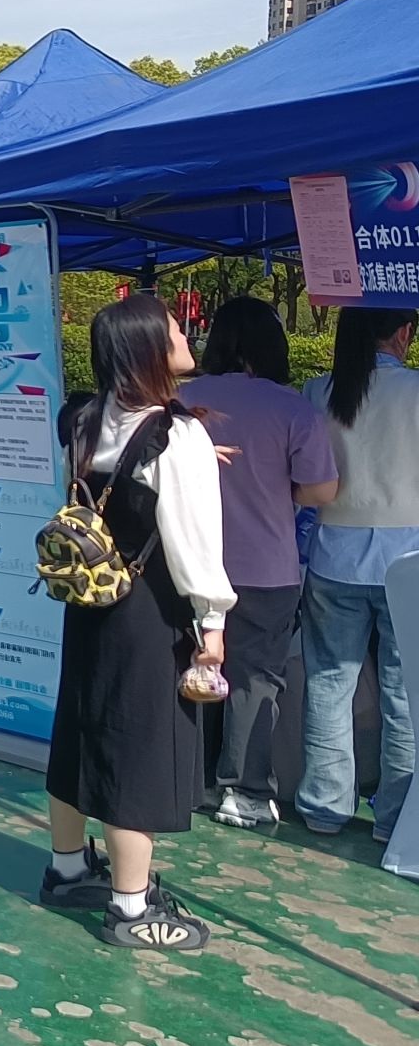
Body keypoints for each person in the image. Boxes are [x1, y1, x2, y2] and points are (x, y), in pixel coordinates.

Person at [40, 295, 232, 951]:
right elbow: (194, 543)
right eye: (176, 329)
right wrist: (212, 625)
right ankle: (129, 907)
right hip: (148, 612)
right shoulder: (178, 436)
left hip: (89, 601)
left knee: (80, 730)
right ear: (150, 347)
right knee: (138, 748)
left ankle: (68, 868)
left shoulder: (83, 420)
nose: (185, 335)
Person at [177, 299, 339, 831]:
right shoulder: (291, 407)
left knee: (193, 669)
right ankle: (243, 792)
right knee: (255, 680)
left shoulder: (181, 400)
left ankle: (190, 782)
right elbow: (320, 490)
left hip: (187, 564)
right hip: (266, 567)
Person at [298, 306, 419, 841]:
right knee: (405, 695)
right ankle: (396, 818)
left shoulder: (317, 391)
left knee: (329, 683)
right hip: (409, 560)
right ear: (403, 332)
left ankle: (324, 807)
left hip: (334, 555)